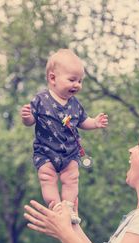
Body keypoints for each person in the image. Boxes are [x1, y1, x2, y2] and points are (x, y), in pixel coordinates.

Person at [21, 48, 108, 224]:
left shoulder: (75, 104)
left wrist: (95, 123)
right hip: (45, 152)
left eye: (80, 81)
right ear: (52, 78)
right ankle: (56, 207)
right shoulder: (41, 100)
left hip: (70, 152)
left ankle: (68, 207)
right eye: (72, 80)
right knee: (47, 178)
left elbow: (83, 122)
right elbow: (31, 121)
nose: (77, 85)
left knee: (72, 178)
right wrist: (27, 117)